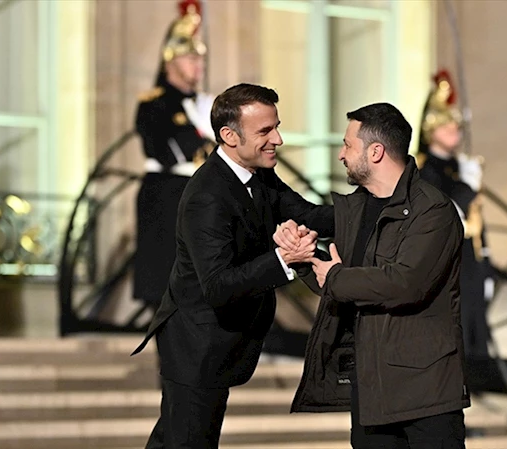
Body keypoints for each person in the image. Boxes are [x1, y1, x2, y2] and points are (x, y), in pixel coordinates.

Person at [132, 83, 335, 449]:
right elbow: (218, 285)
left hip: (219, 343)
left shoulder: (259, 174)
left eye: (276, 127)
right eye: (265, 131)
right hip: (195, 345)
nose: (278, 140)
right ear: (229, 136)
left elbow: (310, 214)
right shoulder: (207, 196)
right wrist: (284, 259)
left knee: (174, 441)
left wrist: (379, 204)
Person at [287, 103, 469, 448]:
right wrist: (303, 259)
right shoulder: (356, 208)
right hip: (371, 393)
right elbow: (345, 282)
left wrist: (335, 277)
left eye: (347, 145)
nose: (341, 155)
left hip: (426, 396)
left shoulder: (433, 210)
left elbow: (404, 284)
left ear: (375, 151)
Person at [133, 0, 217, 310]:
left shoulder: (205, 104)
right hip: (167, 195)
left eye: (201, 58)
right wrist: (202, 133)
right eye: (191, 57)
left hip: (203, 194)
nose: (199, 65)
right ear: (171, 59)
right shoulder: (155, 104)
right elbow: (165, 152)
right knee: (166, 286)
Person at [415, 69, 494, 360]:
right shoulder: (425, 171)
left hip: (470, 263)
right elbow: (445, 211)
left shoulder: (460, 167)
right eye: (446, 127)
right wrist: (467, 186)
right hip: (446, 265)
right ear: (430, 131)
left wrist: (486, 263)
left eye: (456, 127)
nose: (454, 132)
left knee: (476, 335)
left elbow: (477, 221)